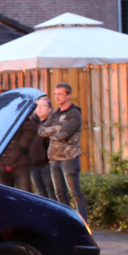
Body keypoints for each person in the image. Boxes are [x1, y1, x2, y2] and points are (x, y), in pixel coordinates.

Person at [39, 83, 87, 220]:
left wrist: (53, 131)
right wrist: (56, 128)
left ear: (68, 95)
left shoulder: (74, 113)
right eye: (55, 94)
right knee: (59, 193)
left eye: (60, 94)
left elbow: (65, 133)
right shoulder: (54, 114)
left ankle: (83, 222)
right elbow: (41, 131)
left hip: (69, 158)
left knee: (75, 192)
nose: (57, 97)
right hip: (55, 158)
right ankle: (66, 220)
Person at [0, 114, 37, 193]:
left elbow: (29, 133)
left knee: (25, 194)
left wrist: (17, 148)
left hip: (20, 163)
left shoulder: (23, 118)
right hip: (1, 163)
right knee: (4, 194)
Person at [30, 98, 56, 199]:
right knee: (40, 194)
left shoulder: (53, 123)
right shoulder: (32, 123)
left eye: (43, 106)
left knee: (52, 193)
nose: (39, 109)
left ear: (50, 109)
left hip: (47, 165)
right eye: (38, 106)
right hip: (33, 165)